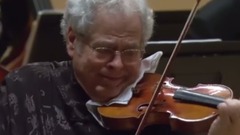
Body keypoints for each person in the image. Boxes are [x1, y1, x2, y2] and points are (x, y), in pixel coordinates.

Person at [0, 0, 240, 135]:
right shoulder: (26, 88)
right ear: (73, 41)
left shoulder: (159, 121)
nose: (117, 65)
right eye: (104, 50)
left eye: (130, 51)